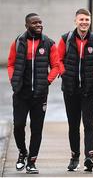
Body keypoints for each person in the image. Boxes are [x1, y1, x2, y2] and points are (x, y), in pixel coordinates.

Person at [7, 13, 59, 174]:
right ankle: (22, 152)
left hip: (40, 95)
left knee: (37, 129)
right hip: (21, 94)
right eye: (34, 23)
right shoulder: (18, 42)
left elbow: (56, 66)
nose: (38, 25)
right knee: (18, 126)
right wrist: (14, 82)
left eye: (40, 22)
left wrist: (47, 81)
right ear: (27, 25)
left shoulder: (49, 43)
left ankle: (31, 161)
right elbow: (10, 64)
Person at [58, 8, 93, 172]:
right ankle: (74, 157)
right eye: (81, 19)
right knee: (73, 125)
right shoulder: (66, 39)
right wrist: (64, 73)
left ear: (90, 22)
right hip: (70, 89)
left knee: (89, 124)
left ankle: (89, 157)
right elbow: (58, 60)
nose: (84, 23)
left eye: (87, 20)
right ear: (75, 21)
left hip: (89, 90)